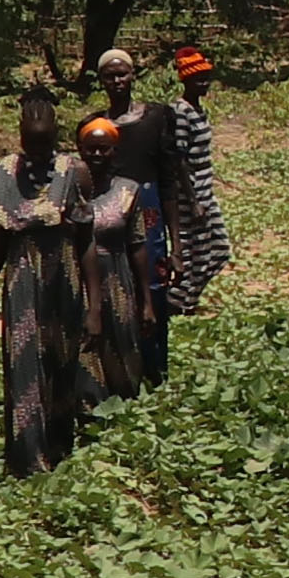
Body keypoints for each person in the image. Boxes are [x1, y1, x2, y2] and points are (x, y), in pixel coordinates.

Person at [0, 86, 94, 477]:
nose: (37, 151)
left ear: (57, 135)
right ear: (20, 135)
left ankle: (60, 453)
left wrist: (96, 305)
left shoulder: (73, 171)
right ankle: (26, 460)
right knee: (23, 367)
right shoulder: (5, 173)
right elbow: (1, 241)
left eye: (45, 143)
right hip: (22, 280)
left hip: (63, 278)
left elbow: (85, 236)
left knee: (61, 364)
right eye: (30, 143)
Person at [91, 48, 178, 382]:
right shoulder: (95, 128)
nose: (117, 81)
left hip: (152, 215)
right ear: (101, 81)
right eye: (110, 76)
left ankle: (156, 372)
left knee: (152, 294)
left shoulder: (156, 118)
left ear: (133, 75)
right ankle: (119, 371)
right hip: (112, 218)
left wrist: (178, 247)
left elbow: (169, 180)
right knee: (115, 291)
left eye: (122, 73)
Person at [71, 116, 150, 409]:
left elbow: (138, 244)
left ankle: (124, 407)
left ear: (114, 151)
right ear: (79, 149)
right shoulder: (67, 191)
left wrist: (147, 301)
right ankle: (89, 409)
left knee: (121, 344)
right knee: (85, 344)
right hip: (77, 278)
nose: (96, 155)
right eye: (90, 149)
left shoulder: (128, 190)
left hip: (117, 277)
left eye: (104, 149)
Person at [162, 46, 232, 317]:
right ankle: (178, 302)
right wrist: (192, 201)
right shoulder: (181, 112)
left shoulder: (198, 109)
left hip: (205, 191)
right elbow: (178, 158)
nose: (204, 83)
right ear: (186, 81)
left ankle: (182, 299)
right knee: (197, 254)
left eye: (206, 78)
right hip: (191, 195)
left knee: (220, 250)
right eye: (198, 79)